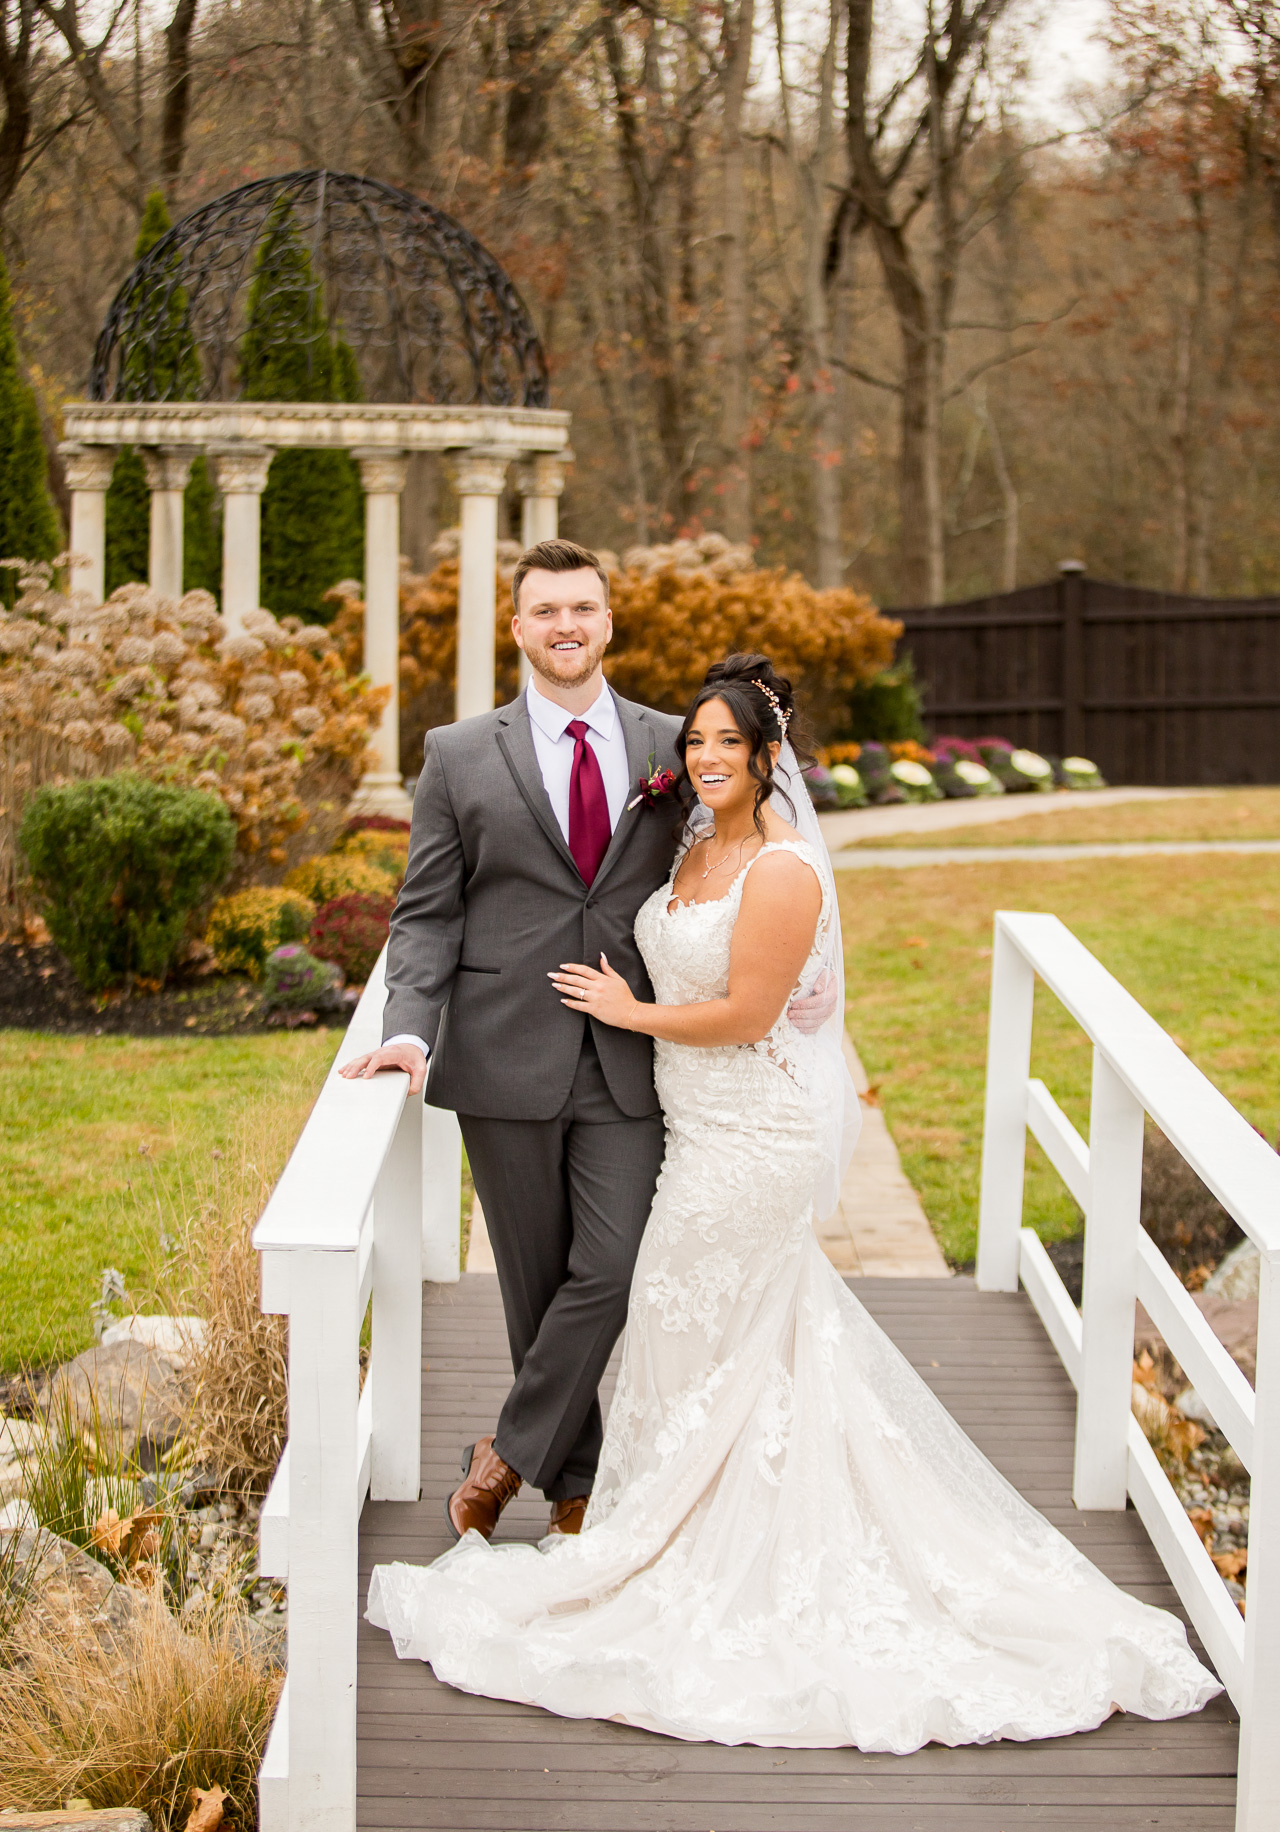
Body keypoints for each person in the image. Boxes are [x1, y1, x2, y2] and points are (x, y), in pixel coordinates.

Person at [365, 652, 1222, 1753]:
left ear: (771, 756)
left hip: (746, 1136)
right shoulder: (688, 838)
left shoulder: (780, 867)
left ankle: (606, 1503)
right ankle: (669, 1518)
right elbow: (526, 910)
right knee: (709, 1337)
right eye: (697, 742)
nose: (706, 757)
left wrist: (633, 1013)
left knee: (659, 1300)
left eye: (730, 742)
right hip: (682, 1119)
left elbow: (745, 1010)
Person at [340, 543, 830, 1542]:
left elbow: (745, 849)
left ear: (607, 622)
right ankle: (574, 1484)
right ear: (518, 627)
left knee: (610, 1266)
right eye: (545, 610)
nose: (565, 625)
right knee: (534, 1284)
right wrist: (408, 1031)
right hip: (500, 1055)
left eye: (582, 608)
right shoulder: (457, 754)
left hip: (631, 1061)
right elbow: (426, 913)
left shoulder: (672, 744)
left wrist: (800, 964)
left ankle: (504, 1457)